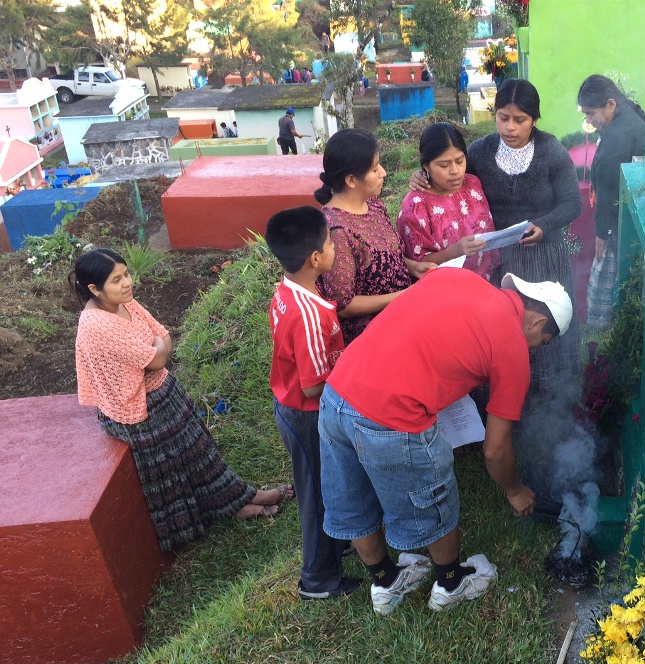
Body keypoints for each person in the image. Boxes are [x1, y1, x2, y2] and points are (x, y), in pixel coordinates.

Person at [319, 267, 574, 616]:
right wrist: (515, 491)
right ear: (538, 322)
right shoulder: (513, 347)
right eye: (542, 343)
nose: (535, 350)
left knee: (353, 500)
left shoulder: (459, 279)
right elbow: (495, 451)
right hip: (391, 416)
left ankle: (386, 582)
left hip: (337, 394)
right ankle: (452, 584)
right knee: (436, 497)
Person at [71, 248, 293, 553]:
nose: (127, 283)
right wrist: (156, 348)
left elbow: (163, 338)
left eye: (126, 274)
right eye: (116, 279)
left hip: (162, 394)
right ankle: (239, 503)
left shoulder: (127, 303)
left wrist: (156, 348)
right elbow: (158, 357)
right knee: (185, 458)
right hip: (136, 410)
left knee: (200, 450)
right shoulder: (97, 325)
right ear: (95, 289)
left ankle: (243, 497)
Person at [411, 79, 582, 397]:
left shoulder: (551, 152)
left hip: (544, 259)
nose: (510, 128)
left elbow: (573, 203)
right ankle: (504, 399)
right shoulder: (480, 152)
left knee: (543, 328)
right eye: (503, 117)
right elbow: (451, 174)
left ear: (534, 119)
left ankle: (549, 400)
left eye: (520, 120)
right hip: (499, 263)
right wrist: (421, 176)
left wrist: (543, 226)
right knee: (503, 333)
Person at [264, 206, 362, 601]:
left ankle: (338, 543)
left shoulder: (290, 290)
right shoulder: (310, 316)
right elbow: (313, 388)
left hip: (290, 406)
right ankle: (318, 579)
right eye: (330, 242)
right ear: (316, 259)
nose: (335, 247)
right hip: (305, 414)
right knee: (319, 494)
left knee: (325, 485)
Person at [314, 128, 433, 344]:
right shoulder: (336, 231)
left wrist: (411, 267)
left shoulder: (373, 205)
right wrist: (401, 297)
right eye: (375, 168)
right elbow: (343, 305)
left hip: (403, 316)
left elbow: (381, 259)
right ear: (351, 180)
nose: (384, 172)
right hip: (372, 337)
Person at [577, 74, 645, 329]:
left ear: (610, 105)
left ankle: (608, 329)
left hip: (623, 220)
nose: (589, 120)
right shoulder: (629, 114)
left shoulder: (619, 134)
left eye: (591, 113)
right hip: (641, 211)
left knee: (611, 277)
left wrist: (602, 233)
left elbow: (608, 187)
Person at [397, 122, 498, 282]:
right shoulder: (416, 206)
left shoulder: (472, 183)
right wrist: (455, 251)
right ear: (426, 166)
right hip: (447, 290)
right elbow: (418, 264)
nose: (455, 171)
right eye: (444, 165)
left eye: (460, 161)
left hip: (489, 282)